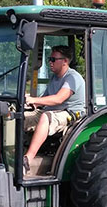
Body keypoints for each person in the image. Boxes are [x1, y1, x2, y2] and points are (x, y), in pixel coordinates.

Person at [22, 45, 85, 173]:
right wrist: (28, 101)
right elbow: (44, 99)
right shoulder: (55, 78)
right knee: (19, 118)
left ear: (65, 61)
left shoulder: (72, 77)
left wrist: (34, 100)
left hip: (70, 113)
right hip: (53, 110)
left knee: (46, 117)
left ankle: (27, 160)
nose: (50, 62)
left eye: (53, 59)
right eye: (49, 59)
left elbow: (58, 99)